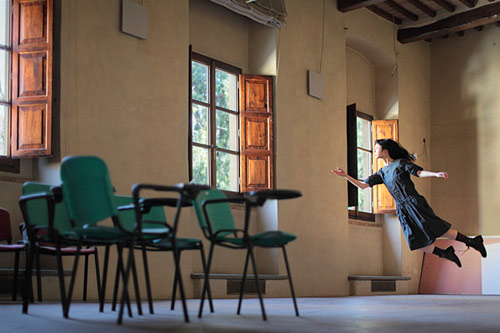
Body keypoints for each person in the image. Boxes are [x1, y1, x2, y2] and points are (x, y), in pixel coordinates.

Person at [331, 138, 486, 267]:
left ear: (385, 150)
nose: (375, 150)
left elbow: (418, 172)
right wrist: (345, 175)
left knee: (440, 230)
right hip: (402, 209)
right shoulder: (382, 173)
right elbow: (363, 185)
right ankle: (445, 253)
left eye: (377, 147)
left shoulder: (400, 163)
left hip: (414, 203)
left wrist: (436, 174)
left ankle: (472, 242)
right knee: (416, 242)